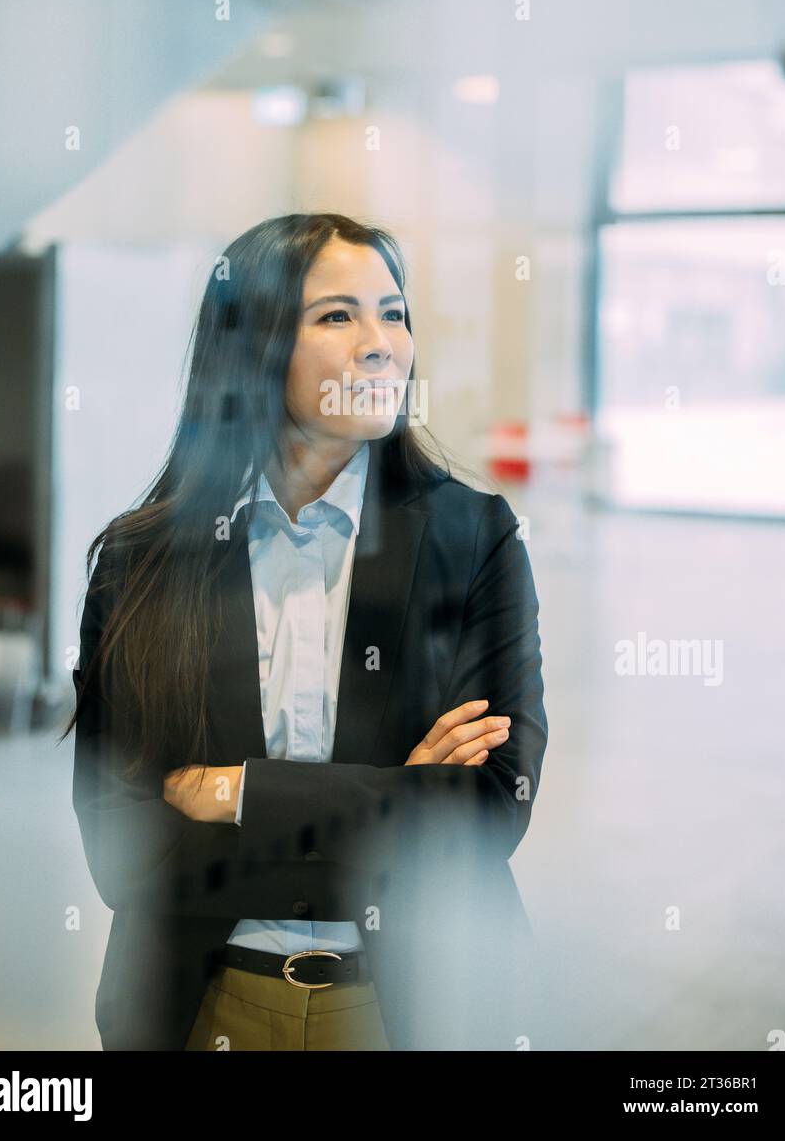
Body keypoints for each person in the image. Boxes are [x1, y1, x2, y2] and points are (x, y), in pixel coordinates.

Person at [61, 212, 548, 1051]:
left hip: (413, 1010)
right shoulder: (142, 560)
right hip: (199, 1007)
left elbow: (488, 810)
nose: (380, 344)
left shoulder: (473, 539)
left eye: (393, 313)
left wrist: (237, 793)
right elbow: (121, 849)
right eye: (337, 316)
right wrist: (397, 797)